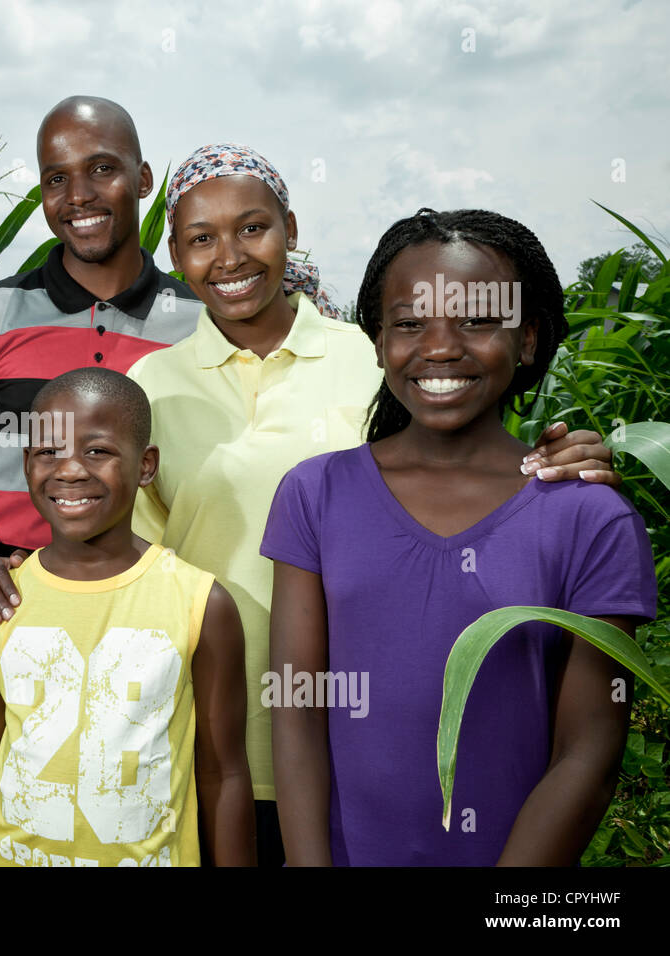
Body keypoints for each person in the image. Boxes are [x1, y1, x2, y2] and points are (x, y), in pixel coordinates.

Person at [124, 144, 620, 866]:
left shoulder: (368, 354)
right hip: (212, 744)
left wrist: (564, 462)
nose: (229, 255)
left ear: (291, 228)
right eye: (202, 238)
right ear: (174, 251)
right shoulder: (150, 386)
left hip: (347, 758)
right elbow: (141, 567)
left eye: (252, 228)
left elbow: (465, 446)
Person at [262, 208, 657, 865]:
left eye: (476, 320)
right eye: (410, 323)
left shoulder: (591, 518)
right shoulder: (315, 495)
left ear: (527, 339)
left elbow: (589, 750)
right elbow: (298, 708)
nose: (440, 347)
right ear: (380, 340)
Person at [0, 96, 204, 832]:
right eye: (55, 179)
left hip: (152, 609)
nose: (77, 197)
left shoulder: (200, 321)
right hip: (14, 607)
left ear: (143, 180)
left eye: (101, 170)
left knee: (139, 818)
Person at [0, 368, 255, 866]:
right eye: (48, 452)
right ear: (27, 463)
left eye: (98, 450)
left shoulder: (201, 603)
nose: (70, 470)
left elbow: (224, 774)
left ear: (146, 465)